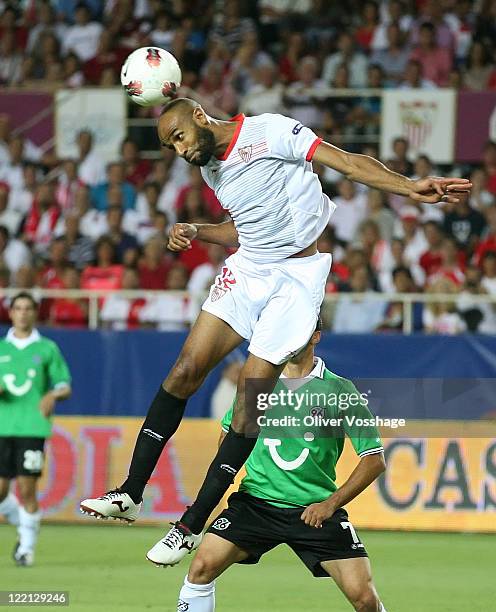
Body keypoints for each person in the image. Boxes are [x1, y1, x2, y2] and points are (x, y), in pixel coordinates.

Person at [80, 97, 470, 567]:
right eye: (169, 146)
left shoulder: (270, 132)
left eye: (179, 137)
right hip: (250, 271)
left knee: (249, 398)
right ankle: (130, 492)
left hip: (296, 277)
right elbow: (248, 231)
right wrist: (198, 230)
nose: (179, 151)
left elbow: (345, 162)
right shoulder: (210, 169)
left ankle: (188, 527)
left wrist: (408, 187)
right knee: (185, 370)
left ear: (200, 117)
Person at [177, 319, 387, 612]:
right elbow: (229, 436)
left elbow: (374, 460)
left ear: (315, 336)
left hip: (314, 511)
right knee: (201, 567)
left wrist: (330, 504)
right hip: (255, 505)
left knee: (364, 598)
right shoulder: (259, 384)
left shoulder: (340, 391)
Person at [0, 292, 72, 566]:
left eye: (28, 308)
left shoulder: (47, 348)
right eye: (17, 308)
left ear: (34, 313)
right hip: (2, 425)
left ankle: (26, 549)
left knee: (27, 488)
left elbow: (64, 384)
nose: (22, 313)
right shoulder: (1, 349)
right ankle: (26, 525)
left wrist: (53, 396)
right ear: (10, 313)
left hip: (31, 426)